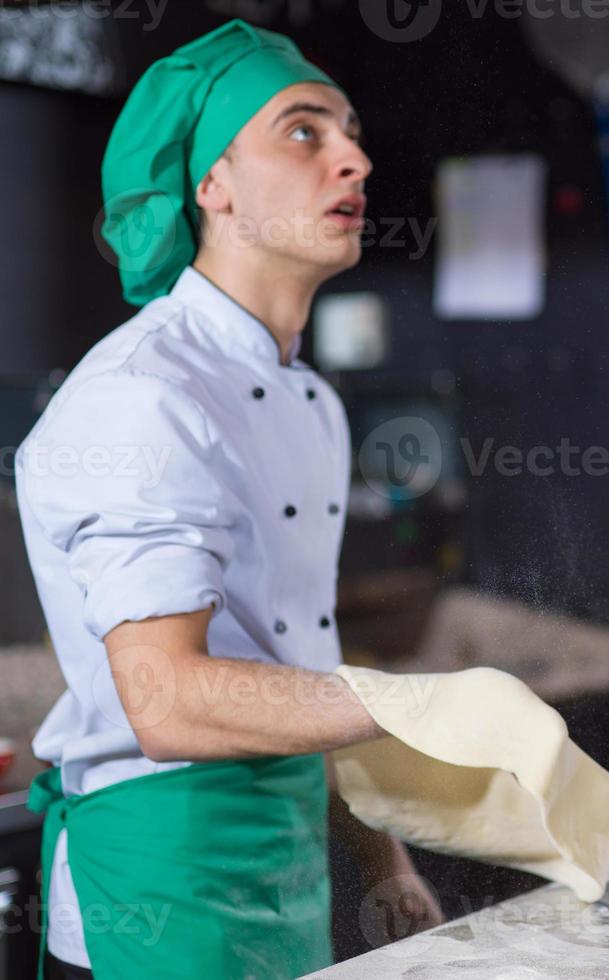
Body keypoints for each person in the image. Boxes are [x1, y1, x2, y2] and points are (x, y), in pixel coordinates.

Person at [16, 19, 440, 980]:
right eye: (304, 131)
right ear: (212, 183)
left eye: (351, 130)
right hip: (160, 875)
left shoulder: (315, 405)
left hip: (284, 866)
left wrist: (382, 862)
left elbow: (294, 665)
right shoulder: (143, 393)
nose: (355, 158)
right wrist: (423, 704)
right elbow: (166, 699)